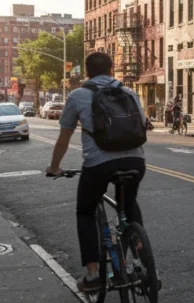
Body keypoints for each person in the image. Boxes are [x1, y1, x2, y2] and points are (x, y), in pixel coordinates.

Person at [45, 52, 148, 293]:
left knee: (85, 211)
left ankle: (93, 275)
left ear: (87, 72)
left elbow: (64, 138)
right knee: (129, 203)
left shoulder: (79, 95)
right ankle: (140, 259)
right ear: (112, 69)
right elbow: (143, 124)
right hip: (136, 160)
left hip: (99, 165)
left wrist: (54, 167)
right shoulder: (130, 93)